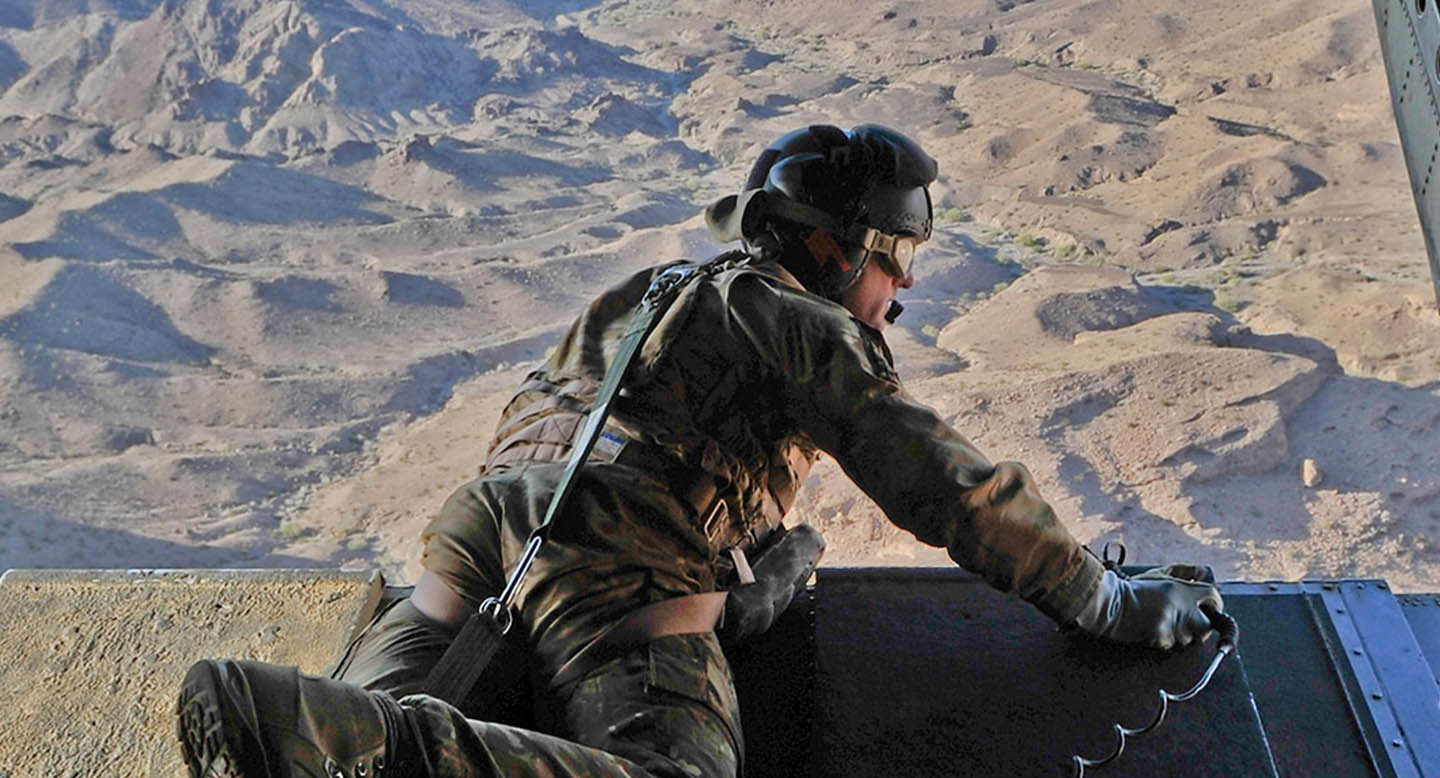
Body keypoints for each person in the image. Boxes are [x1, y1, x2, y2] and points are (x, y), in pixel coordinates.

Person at [176, 123, 1223, 778]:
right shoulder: (806, 325)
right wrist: (1104, 599)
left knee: (336, 731)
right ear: (836, 247)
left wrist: (732, 592)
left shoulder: (650, 294)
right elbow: (942, 484)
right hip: (613, 552)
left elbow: (553, 430)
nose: (900, 292)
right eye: (896, 262)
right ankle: (344, 734)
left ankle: (322, 721)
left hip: (476, 543)